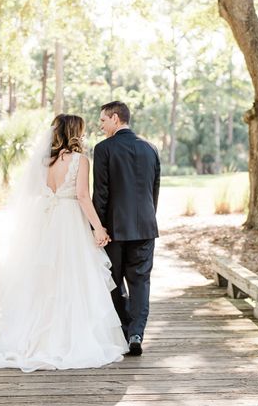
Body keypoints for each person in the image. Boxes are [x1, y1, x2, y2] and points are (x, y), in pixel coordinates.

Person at [0, 114, 128, 372]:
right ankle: (69, 340)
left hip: (45, 222)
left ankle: (37, 341)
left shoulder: (43, 162)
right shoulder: (80, 160)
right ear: (75, 132)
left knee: (44, 281)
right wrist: (98, 228)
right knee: (73, 279)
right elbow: (83, 197)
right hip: (70, 222)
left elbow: (31, 194)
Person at [93, 101, 160, 356]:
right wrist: (147, 219)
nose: (100, 125)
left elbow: (101, 193)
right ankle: (136, 333)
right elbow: (154, 191)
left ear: (116, 118)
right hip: (145, 228)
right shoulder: (150, 148)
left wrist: (97, 227)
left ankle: (124, 330)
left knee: (113, 281)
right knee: (141, 282)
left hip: (114, 231)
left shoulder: (103, 149)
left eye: (103, 120)